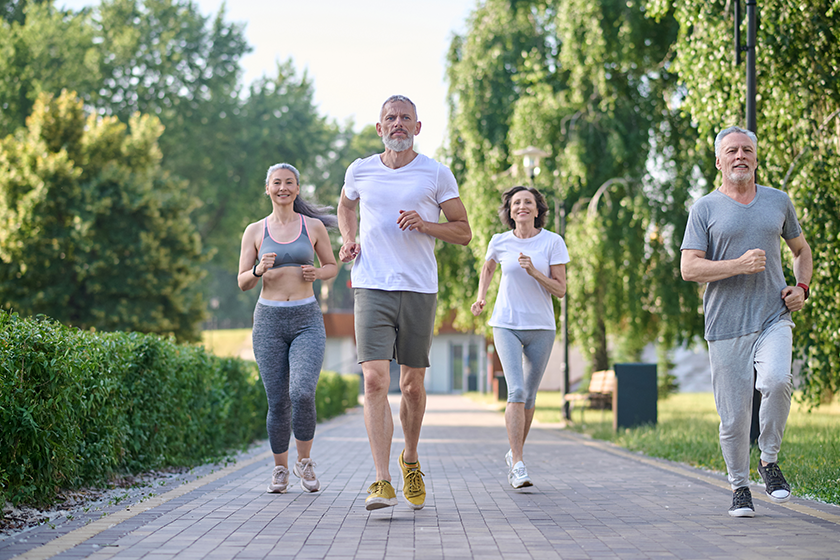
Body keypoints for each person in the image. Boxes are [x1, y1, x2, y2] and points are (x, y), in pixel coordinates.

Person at [337, 95, 472, 510]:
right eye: (390, 118)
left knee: (412, 386)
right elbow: (346, 204)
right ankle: (381, 480)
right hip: (371, 285)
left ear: (417, 127)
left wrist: (425, 223)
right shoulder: (360, 170)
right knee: (375, 380)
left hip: (418, 288)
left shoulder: (435, 173)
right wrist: (347, 239)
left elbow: (464, 231)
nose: (398, 124)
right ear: (379, 128)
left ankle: (409, 459)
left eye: (405, 119)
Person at [680, 126, 812, 517]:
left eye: (747, 150)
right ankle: (740, 487)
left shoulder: (778, 202)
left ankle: (768, 461)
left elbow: (801, 250)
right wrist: (737, 265)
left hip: (773, 315)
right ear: (719, 162)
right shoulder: (704, 208)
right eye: (732, 151)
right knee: (734, 419)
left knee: (776, 381)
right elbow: (688, 267)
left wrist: (801, 286)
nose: (741, 156)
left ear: (756, 157)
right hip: (725, 326)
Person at [237, 163, 338, 494]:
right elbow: (242, 283)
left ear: (297, 188)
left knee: (302, 392)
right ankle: (280, 470)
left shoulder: (313, 227)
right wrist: (257, 269)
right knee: (278, 400)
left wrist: (317, 274)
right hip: (268, 322)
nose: (283, 187)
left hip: (306, 319)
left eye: (289, 182)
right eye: (276, 183)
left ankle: (304, 462)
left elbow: (332, 265)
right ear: (267, 189)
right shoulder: (254, 231)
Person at [470, 186, 569, 489]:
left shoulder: (552, 242)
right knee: (516, 391)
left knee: (529, 395)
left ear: (538, 210)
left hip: (541, 326)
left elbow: (561, 290)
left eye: (528, 202)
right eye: (516, 203)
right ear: (509, 211)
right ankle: (519, 462)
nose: (522, 206)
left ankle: (515, 455)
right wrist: (481, 297)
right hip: (506, 323)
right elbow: (487, 268)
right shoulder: (500, 241)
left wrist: (535, 272)